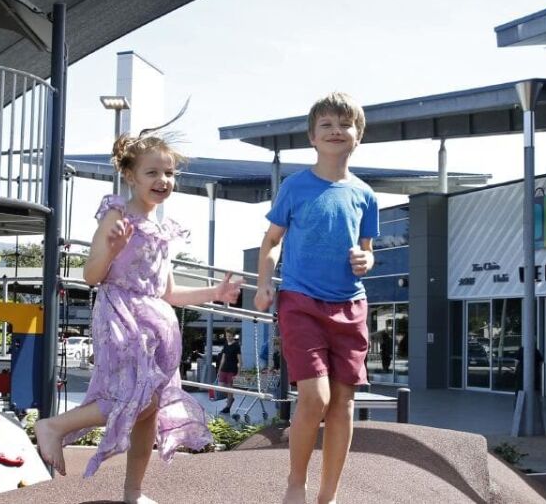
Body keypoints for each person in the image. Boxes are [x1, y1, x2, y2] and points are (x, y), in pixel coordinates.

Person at [34, 129, 243, 504]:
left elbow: (168, 293)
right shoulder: (117, 213)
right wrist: (111, 248)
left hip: (157, 328)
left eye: (169, 173)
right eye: (153, 173)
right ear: (130, 175)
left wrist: (216, 293)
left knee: (149, 411)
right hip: (121, 317)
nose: (163, 180)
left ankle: (133, 493)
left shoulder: (162, 230)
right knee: (127, 395)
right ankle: (54, 425)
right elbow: (91, 275)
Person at [254, 92, 378, 504]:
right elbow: (271, 241)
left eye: (345, 125)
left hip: (350, 306)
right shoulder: (296, 186)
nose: (336, 131)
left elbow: (367, 250)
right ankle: (295, 483)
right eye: (326, 125)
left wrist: (367, 259)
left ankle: (329, 496)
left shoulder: (365, 195)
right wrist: (264, 282)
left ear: (357, 136)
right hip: (300, 301)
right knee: (316, 396)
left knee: (343, 402)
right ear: (312, 136)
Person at [217, 327, 241, 413]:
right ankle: (230, 398)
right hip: (224, 368)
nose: (228, 337)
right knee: (221, 386)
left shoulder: (236, 346)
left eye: (230, 336)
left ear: (234, 336)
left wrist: (238, 373)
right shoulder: (226, 344)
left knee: (230, 388)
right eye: (227, 336)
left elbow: (240, 361)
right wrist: (219, 370)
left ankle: (227, 407)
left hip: (232, 369)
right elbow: (223, 358)